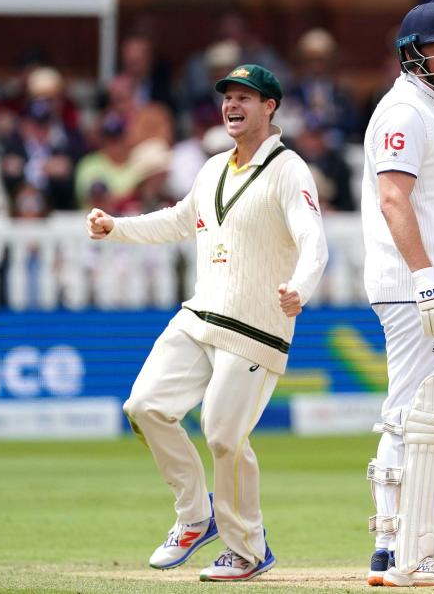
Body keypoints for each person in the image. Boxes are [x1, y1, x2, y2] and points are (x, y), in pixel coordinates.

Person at [86, 64, 328, 582]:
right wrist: (116, 227)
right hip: (200, 314)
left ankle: (248, 547)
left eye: (246, 97)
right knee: (145, 406)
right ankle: (196, 516)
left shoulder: (290, 170)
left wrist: (300, 288)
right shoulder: (213, 167)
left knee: (222, 434)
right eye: (228, 97)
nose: (233, 105)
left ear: (270, 107)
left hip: (257, 326)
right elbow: (179, 220)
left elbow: (313, 238)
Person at [360, 1, 434, 588]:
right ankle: (412, 554)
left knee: (408, 415)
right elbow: (392, 199)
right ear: (413, 54)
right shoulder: (405, 110)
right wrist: (426, 275)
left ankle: (389, 548)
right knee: (416, 417)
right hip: (419, 289)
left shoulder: (433, 109)